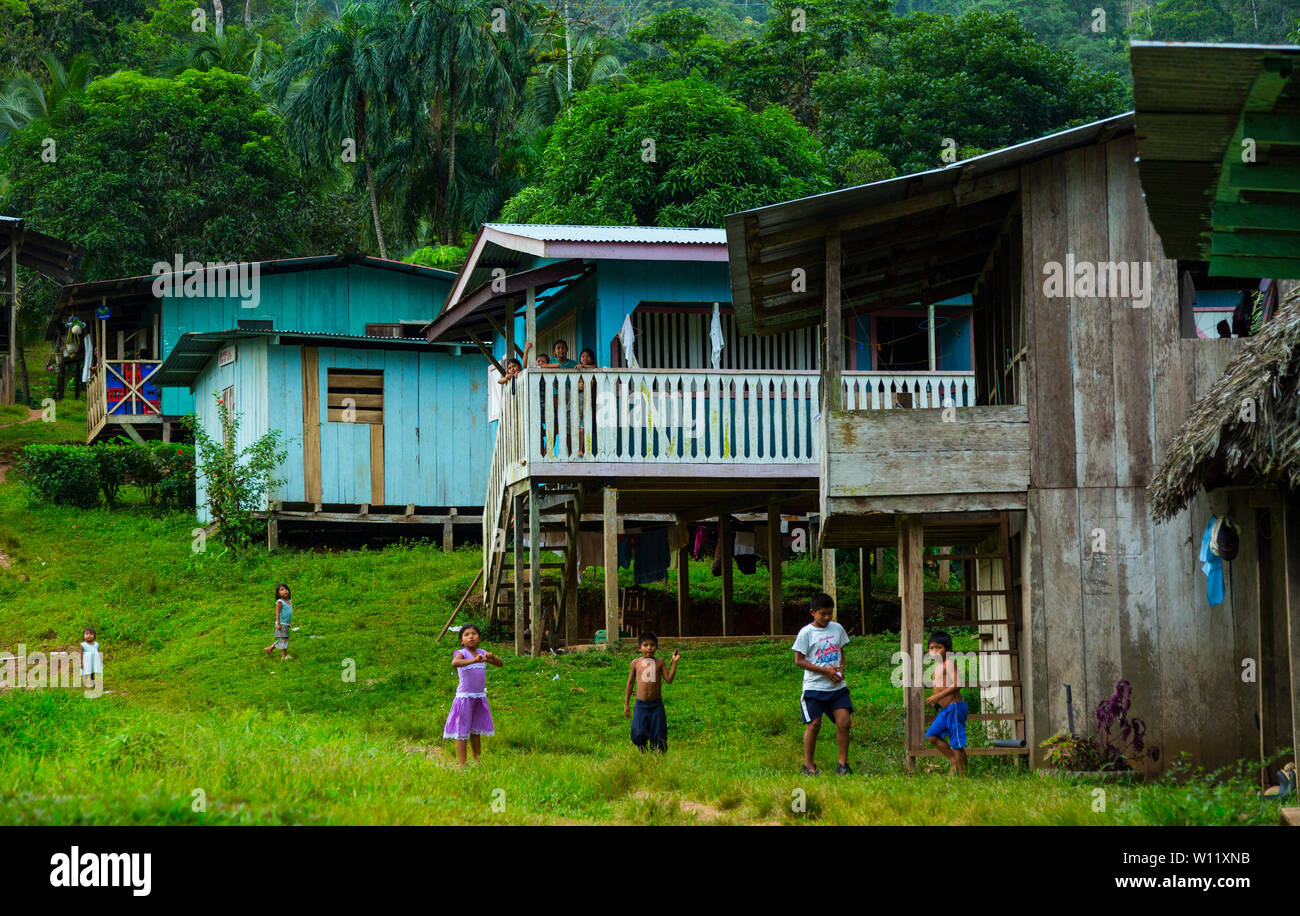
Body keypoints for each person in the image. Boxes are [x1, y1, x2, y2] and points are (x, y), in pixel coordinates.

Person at [792, 593, 852, 776]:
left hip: (837, 688)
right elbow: (799, 660)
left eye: (830, 613)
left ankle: (842, 765)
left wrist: (840, 670)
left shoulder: (837, 629)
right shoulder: (806, 633)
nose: (827, 618)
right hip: (814, 688)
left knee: (844, 722)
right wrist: (826, 671)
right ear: (813, 612)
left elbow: (840, 651)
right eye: (822, 614)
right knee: (814, 724)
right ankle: (809, 767)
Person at [443, 625, 503, 766]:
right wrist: (474, 660)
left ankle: (477, 760)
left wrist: (492, 657)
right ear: (461, 640)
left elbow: (500, 664)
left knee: (476, 731)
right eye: (467, 634)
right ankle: (462, 764)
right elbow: (455, 663)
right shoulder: (461, 653)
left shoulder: (482, 653)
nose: (471, 636)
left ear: (479, 638)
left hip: (478, 698)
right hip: (465, 698)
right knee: (462, 731)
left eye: (474, 634)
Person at [624, 633, 680, 752]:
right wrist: (626, 704)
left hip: (656, 705)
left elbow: (669, 680)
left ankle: (656, 756)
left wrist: (674, 662)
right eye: (645, 645)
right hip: (641, 705)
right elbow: (630, 683)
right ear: (639, 648)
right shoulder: (635, 663)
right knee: (638, 732)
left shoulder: (660, 662)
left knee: (659, 733)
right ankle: (642, 750)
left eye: (652, 645)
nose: (649, 648)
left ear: (657, 647)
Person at [925, 630, 968, 776]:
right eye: (931, 648)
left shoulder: (948, 663)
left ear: (948, 650)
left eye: (939, 647)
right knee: (932, 735)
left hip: (954, 707)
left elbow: (958, 683)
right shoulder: (936, 667)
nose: (934, 651)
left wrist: (938, 697)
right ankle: (953, 760)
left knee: (956, 742)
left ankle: (964, 775)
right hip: (945, 710)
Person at [263, 583, 293, 660]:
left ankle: (270, 649)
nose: (285, 591)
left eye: (286, 589)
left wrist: (288, 624)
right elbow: (277, 613)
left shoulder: (289, 601)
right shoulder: (280, 602)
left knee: (282, 639)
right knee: (284, 639)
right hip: (281, 624)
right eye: (282, 590)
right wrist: (278, 624)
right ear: (278, 593)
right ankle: (284, 656)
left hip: (285, 624)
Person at [81, 627, 102, 692]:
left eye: (91, 634)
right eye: (87, 634)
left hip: (94, 661)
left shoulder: (96, 644)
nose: (89, 636)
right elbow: (81, 654)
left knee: (93, 672)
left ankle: (92, 682)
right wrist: (81, 663)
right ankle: (85, 682)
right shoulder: (83, 645)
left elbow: (98, 652)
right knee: (87, 672)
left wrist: (100, 659)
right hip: (87, 661)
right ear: (84, 636)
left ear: (94, 636)